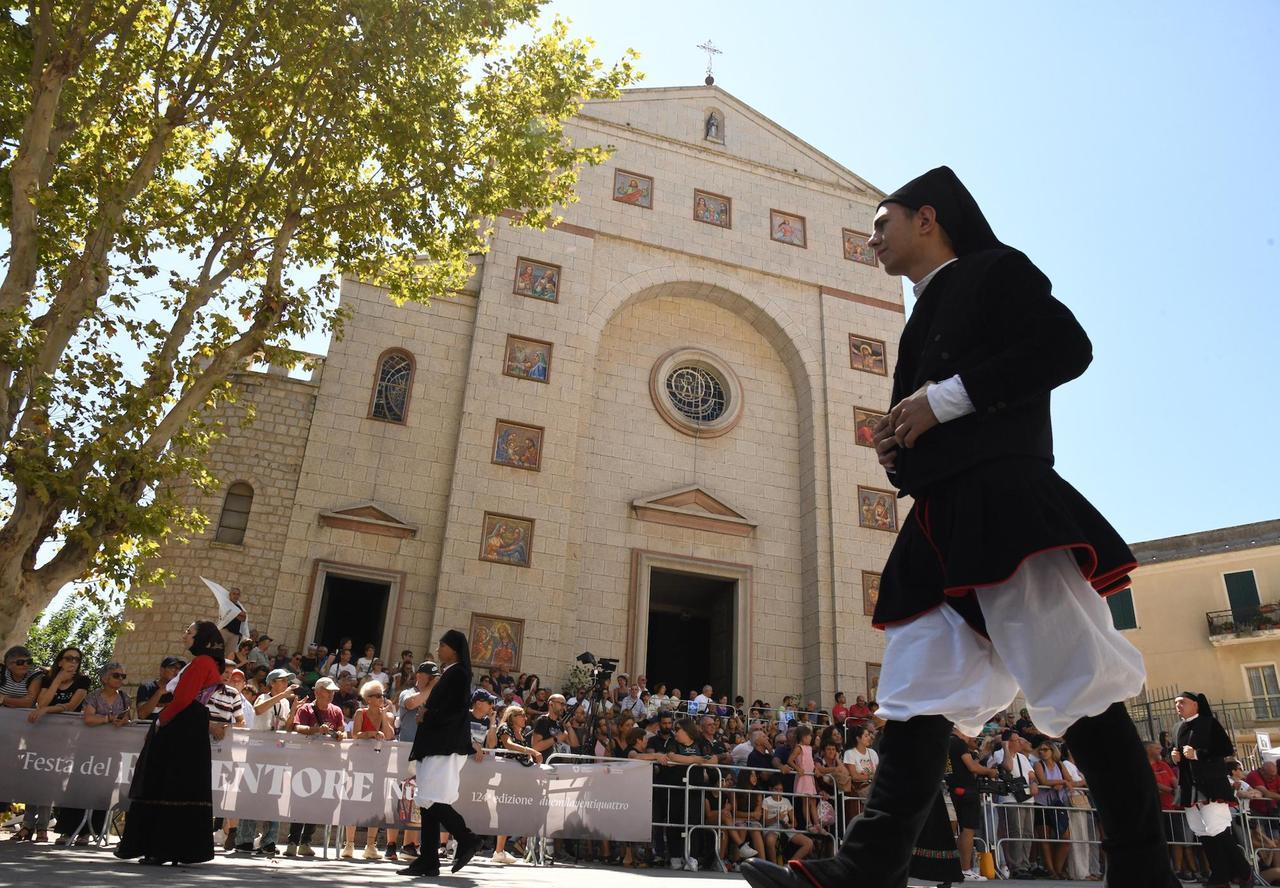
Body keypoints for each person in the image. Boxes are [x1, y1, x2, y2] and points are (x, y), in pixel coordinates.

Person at [741, 165, 1174, 888]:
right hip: (939, 520)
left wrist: (942, 402)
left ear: (927, 219)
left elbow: (1067, 349)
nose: (872, 237)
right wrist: (900, 446)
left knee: (1080, 685)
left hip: (1004, 510)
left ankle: (1144, 875)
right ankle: (865, 872)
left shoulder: (995, 271)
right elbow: (935, 420)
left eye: (883, 223)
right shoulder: (919, 316)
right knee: (916, 694)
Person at [115, 621, 224, 865]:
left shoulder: (201, 662)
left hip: (182, 726)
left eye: (189, 632)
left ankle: (163, 847)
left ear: (202, 639)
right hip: (188, 724)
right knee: (174, 783)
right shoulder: (205, 663)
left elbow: (183, 699)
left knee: (169, 782)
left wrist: (161, 721)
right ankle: (170, 848)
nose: (185, 635)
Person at [399, 630, 480, 879]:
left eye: (442, 645)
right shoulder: (451, 672)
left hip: (444, 746)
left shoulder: (458, 673)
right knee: (426, 803)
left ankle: (467, 838)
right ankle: (429, 860)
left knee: (431, 799)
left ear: (453, 648)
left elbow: (455, 710)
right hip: (436, 744)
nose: (438, 649)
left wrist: (427, 715)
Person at [1172, 690, 1251, 888]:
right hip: (1189, 785)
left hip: (1211, 784)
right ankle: (1220, 876)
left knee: (1218, 829)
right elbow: (1176, 754)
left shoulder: (1209, 723)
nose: (1178, 706)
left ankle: (1244, 873)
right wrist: (1173, 758)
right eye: (1176, 703)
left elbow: (1226, 749)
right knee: (1202, 831)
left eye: (1182, 702)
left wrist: (1198, 754)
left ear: (1196, 704)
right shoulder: (1177, 727)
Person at [283, 676, 345, 857]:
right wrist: (317, 730)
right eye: (328, 690)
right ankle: (293, 841)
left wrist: (340, 734)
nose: (331, 694)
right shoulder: (305, 709)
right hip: (304, 762)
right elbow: (296, 727)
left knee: (317, 802)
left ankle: (306, 841)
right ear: (317, 692)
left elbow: (343, 730)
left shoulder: (337, 710)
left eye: (333, 691)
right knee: (300, 801)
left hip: (327, 763)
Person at [342, 680, 397, 860]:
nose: (382, 698)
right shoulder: (360, 712)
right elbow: (355, 734)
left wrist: (383, 717)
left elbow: (390, 736)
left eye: (382, 695)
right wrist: (371, 734)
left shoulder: (386, 715)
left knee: (376, 804)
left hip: (379, 765)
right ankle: (349, 844)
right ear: (368, 698)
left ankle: (370, 845)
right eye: (378, 696)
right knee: (355, 801)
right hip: (359, 764)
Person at [1, 644, 42, 709]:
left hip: (24, 714)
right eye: (20, 662)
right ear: (9, 664)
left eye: (29, 661)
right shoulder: (2, 672)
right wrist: (19, 701)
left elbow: (28, 703)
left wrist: (2, 699)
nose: (26, 665)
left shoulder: (35, 676)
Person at [213, 584, 249, 653]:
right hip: (224, 631)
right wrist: (237, 614)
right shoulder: (225, 604)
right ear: (230, 595)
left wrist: (234, 613)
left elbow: (243, 618)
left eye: (237, 594)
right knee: (217, 651)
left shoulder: (239, 607)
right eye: (234, 594)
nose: (236, 596)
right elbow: (230, 614)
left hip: (235, 635)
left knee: (229, 655)